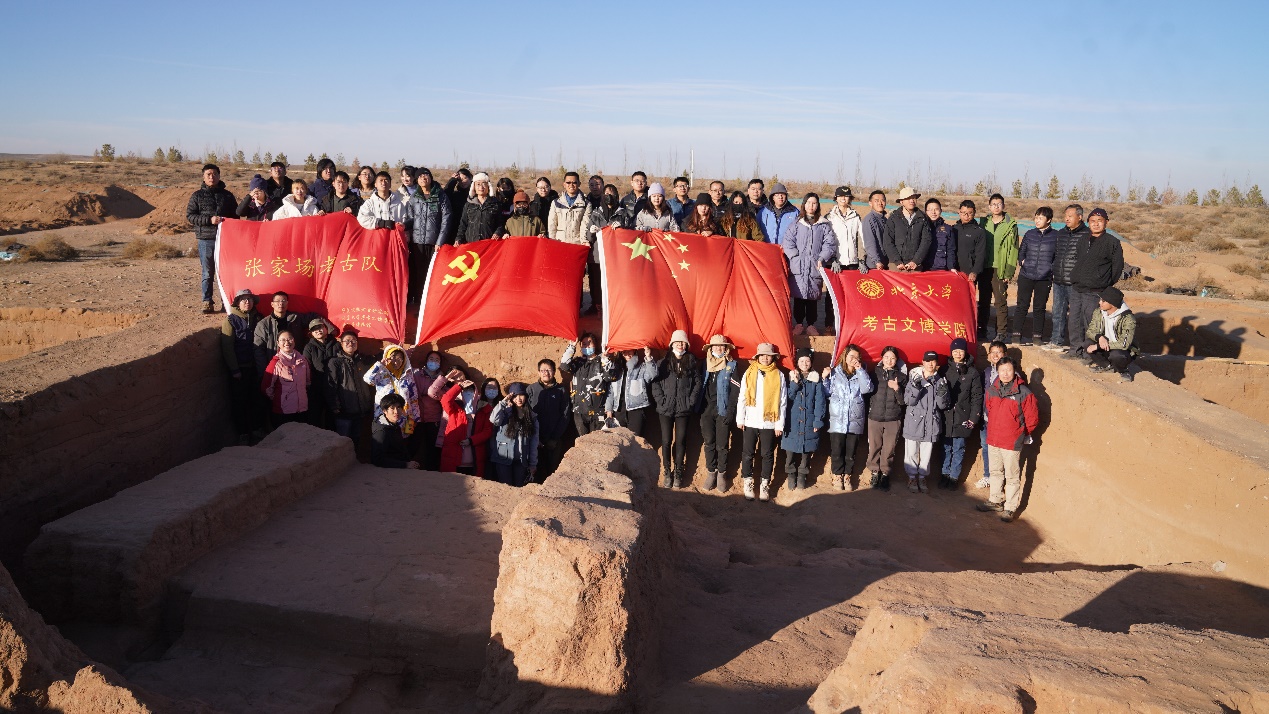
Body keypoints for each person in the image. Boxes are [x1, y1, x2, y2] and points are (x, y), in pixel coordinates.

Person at [976, 356, 1038, 522]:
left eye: (1008, 370)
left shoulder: (1024, 393)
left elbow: (1032, 419)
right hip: (994, 439)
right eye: (1002, 370)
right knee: (995, 472)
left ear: (1014, 371)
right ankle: (995, 500)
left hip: (1011, 442)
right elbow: (989, 410)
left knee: (1012, 476)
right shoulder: (992, 390)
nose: (1005, 373)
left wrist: (1019, 433)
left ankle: (1010, 507)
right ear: (997, 371)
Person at [1064, 207, 1123, 362]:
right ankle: (1074, 350)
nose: (1096, 224)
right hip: (1077, 288)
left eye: (1100, 221)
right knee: (1074, 321)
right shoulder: (1083, 240)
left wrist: (1105, 283)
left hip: (1096, 290)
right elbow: (1079, 259)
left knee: (1091, 322)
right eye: (1092, 221)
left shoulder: (1112, 242)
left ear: (1106, 223)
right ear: (1088, 222)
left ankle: (1088, 354)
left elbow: (1117, 267)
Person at [736, 342, 786, 502]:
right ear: (757, 357)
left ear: (773, 357)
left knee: (767, 454)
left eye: (768, 355)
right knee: (748, 453)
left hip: (769, 422)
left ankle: (765, 484)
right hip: (751, 420)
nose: (765, 358)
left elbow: (782, 402)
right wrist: (740, 418)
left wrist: (779, 424)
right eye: (762, 355)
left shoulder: (779, 375)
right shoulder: (749, 373)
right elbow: (742, 397)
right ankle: (748, 482)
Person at [651, 330, 701, 488]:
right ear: (672, 344)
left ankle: (678, 472)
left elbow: (697, 383)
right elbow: (655, 383)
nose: (680, 344)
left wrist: (690, 401)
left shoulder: (691, 361)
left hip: (683, 409)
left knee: (680, 441)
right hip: (665, 408)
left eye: (683, 342)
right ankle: (667, 472)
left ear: (686, 344)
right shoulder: (663, 362)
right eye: (677, 342)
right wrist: (661, 400)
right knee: (666, 441)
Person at [783, 193, 837, 336]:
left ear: (818, 205)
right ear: (804, 204)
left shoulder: (823, 224)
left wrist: (822, 257)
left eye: (814, 203)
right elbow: (788, 241)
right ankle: (799, 324)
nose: (811, 206)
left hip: (815, 265)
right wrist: (795, 256)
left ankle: (811, 325)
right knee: (799, 297)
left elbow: (830, 244)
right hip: (799, 266)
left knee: (812, 298)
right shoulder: (797, 223)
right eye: (808, 203)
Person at [185, 163, 237, 313]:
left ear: (219, 176)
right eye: (208, 174)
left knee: (225, 272)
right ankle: (207, 302)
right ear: (203, 176)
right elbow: (190, 216)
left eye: (214, 174)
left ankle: (225, 302)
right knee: (207, 272)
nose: (211, 177)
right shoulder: (197, 196)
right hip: (206, 239)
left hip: (225, 240)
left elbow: (235, 216)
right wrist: (209, 220)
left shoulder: (227, 196)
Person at [822, 344, 873, 491]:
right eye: (851, 356)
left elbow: (867, 389)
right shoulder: (835, 373)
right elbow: (826, 392)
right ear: (845, 356)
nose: (854, 359)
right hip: (838, 419)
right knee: (837, 450)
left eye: (857, 357)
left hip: (854, 419)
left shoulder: (861, 373)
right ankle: (837, 476)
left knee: (851, 451)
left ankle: (847, 475)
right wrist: (825, 378)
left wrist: (860, 370)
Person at [902, 350, 950, 494]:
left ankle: (922, 477)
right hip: (914, 422)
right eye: (927, 361)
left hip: (931, 423)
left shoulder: (941, 381)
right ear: (922, 362)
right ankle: (911, 477)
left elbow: (943, 405)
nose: (930, 364)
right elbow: (908, 400)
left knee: (926, 454)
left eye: (933, 361)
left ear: (937, 364)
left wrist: (942, 393)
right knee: (911, 452)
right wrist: (916, 388)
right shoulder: (914, 379)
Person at [404, 168, 452, 309]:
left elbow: (446, 219)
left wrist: (440, 241)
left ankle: (433, 304)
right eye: (420, 176)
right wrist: (403, 226)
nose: (423, 178)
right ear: (416, 180)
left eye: (426, 175)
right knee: (418, 273)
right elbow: (410, 218)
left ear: (430, 178)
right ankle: (419, 303)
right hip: (417, 242)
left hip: (434, 243)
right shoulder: (414, 198)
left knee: (433, 273)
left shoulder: (441, 196)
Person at [1043, 204, 1089, 352]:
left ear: (1080, 217)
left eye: (1070, 216)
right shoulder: (1061, 233)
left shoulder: (1086, 234)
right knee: (1057, 312)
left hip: (1075, 282)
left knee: (1076, 316)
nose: (1066, 218)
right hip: (1059, 280)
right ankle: (1056, 341)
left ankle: (1077, 346)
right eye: (1065, 216)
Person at [698, 334, 740, 493]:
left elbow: (736, 390)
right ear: (710, 348)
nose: (718, 348)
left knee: (722, 444)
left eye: (722, 346)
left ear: (726, 348)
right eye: (715, 346)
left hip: (722, 410)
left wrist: (730, 412)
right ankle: (711, 472)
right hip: (706, 410)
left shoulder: (732, 365)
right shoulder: (704, 364)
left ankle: (721, 474)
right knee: (709, 441)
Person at [221, 289, 264, 444]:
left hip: (256, 367)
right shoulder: (230, 320)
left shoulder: (259, 318)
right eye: (244, 299)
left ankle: (257, 430)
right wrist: (235, 369)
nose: (247, 302)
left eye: (250, 299)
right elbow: (227, 347)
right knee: (240, 402)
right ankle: (243, 434)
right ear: (237, 303)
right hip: (240, 369)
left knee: (257, 400)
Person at [938, 337, 982, 489]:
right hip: (947, 416)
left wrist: (973, 418)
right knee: (946, 447)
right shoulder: (944, 370)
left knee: (958, 448)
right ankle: (944, 474)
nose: (957, 354)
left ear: (965, 352)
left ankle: (953, 477)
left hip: (964, 416)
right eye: (955, 351)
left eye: (960, 351)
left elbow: (977, 397)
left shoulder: (973, 372)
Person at [782, 347, 826, 492]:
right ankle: (791, 474)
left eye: (807, 360)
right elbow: (787, 398)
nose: (805, 363)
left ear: (811, 362)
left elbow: (820, 401)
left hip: (809, 420)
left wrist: (818, 420)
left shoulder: (816, 379)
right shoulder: (790, 376)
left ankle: (802, 474)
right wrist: (794, 383)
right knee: (790, 450)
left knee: (806, 451)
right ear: (797, 362)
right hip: (792, 421)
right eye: (802, 360)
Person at [865, 345, 907, 491]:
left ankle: (885, 474)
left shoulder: (902, 377)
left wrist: (897, 389)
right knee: (874, 447)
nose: (889, 360)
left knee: (889, 449)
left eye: (893, 358)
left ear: (897, 360)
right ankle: (874, 472)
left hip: (893, 419)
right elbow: (866, 393)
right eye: (886, 357)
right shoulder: (873, 373)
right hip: (874, 417)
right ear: (882, 358)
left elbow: (903, 401)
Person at [363, 345, 421, 449]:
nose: (396, 360)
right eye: (393, 357)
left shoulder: (408, 376)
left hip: (404, 418)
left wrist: (415, 418)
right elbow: (367, 379)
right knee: (385, 444)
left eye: (400, 358)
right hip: (385, 417)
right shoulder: (381, 373)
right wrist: (380, 365)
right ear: (387, 357)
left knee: (402, 445)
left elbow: (413, 399)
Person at [561, 334, 619, 436]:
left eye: (589, 343)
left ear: (595, 344)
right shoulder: (578, 362)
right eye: (584, 344)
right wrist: (572, 347)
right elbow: (564, 366)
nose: (587, 346)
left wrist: (605, 360)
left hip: (598, 412)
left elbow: (610, 377)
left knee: (597, 442)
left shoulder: (602, 360)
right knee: (582, 442)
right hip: (579, 411)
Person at [1015, 207, 1058, 345]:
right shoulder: (1029, 234)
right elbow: (1021, 251)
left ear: (1049, 220)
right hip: (1026, 275)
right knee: (1022, 305)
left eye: (1041, 218)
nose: (1037, 220)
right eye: (1036, 217)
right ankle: (1016, 334)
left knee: (1039, 307)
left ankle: (1037, 336)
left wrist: (1050, 268)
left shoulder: (1056, 236)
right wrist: (1022, 261)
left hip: (1044, 277)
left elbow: (1057, 256)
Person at [326, 326, 375, 446]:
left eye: (353, 341)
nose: (350, 343)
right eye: (347, 341)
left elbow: (378, 360)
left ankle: (353, 463)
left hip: (360, 410)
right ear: (341, 344)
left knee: (356, 439)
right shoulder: (335, 362)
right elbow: (330, 385)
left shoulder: (361, 360)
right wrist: (335, 406)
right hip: (343, 411)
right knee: (342, 441)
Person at [980, 194, 1019, 341]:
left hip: (1000, 268)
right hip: (985, 267)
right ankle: (981, 329)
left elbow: (1014, 250)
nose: (996, 206)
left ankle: (1001, 332)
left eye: (999, 204)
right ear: (989, 206)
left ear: (1003, 206)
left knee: (1000, 301)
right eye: (993, 204)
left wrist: (1009, 272)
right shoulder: (983, 222)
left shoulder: (1011, 225)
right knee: (983, 301)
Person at [439, 374, 494, 477]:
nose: (468, 394)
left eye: (471, 391)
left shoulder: (484, 408)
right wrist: (458, 387)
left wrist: (471, 440)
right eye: (465, 391)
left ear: (476, 392)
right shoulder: (455, 408)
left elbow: (487, 431)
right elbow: (445, 399)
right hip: (453, 457)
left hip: (474, 458)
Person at [580, 184, 623, 313]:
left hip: (615, 255)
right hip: (597, 254)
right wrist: (591, 232)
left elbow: (629, 234)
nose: (609, 196)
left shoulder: (622, 213)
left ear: (616, 196)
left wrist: (623, 227)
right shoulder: (596, 213)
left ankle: (612, 308)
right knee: (595, 281)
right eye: (606, 193)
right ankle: (596, 306)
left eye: (612, 193)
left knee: (613, 282)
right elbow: (588, 234)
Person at [527, 358, 571, 480]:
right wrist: (535, 438)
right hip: (535, 440)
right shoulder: (531, 389)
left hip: (554, 440)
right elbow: (527, 414)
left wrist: (554, 438)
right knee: (535, 471)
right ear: (538, 372)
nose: (545, 373)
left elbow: (565, 415)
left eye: (549, 370)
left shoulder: (561, 391)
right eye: (542, 370)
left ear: (554, 372)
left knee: (552, 471)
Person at [489, 382, 539, 486]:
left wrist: (533, 463)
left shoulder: (532, 417)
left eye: (521, 395)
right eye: (515, 396)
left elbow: (534, 442)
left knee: (518, 488)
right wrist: (503, 402)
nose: (519, 399)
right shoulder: (505, 413)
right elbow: (493, 419)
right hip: (503, 459)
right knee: (506, 488)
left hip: (521, 461)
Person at [1084, 286, 1138, 382]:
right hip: (1105, 346)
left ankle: (1123, 370)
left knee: (1116, 355)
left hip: (1121, 350)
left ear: (1112, 304)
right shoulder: (1099, 312)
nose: (1099, 302)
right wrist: (1099, 337)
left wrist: (1098, 346)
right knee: (1087, 343)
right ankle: (1106, 366)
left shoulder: (1128, 319)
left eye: (1103, 301)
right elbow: (1090, 331)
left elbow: (1124, 344)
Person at [954, 200, 991, 334]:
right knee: (954, 301)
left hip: (969, 274)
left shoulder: (979, 232)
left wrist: (975, 271)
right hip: (954, 273)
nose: (966, 216)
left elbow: (981, 254)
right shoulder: (954, 229)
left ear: (974, 213)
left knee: (968, 303)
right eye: (963, 213)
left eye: (969, 213)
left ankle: (969, 328)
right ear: (959, 212)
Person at [974, 340, 1007, 489]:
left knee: (1001, 450)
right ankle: (988, 476)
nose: (995, 355)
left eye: (998, 352)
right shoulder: (987, 372)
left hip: (1001, 421)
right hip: (986, 419)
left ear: (1004, 354)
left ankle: (999, 478)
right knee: (986, 447)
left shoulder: (1011, 373)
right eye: (993, 352)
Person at [605, 346, 657, 438]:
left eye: (630, 351)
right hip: (619, 411)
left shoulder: (641, 367)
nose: (628, 353)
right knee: (619, 442)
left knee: (635, 442)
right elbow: (610, 391)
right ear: (621, 353)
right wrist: (609, 410)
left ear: (634, 351)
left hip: (636, 411)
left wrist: (648, 357)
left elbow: (653, 374)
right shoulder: (616, 369)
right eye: (625, 351)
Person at [261, 331, 310, 426]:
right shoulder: (276, 363)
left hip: (302, 408)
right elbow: (267, 387)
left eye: (289, 339)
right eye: (283, 340)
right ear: (278, 343)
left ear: (294, 341)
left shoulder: (303, 360)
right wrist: (280, 399)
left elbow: (308, 381)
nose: (287, 342)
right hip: (284, 410)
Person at [253, 292, 305, 374]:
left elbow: (314, 318)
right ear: (272, 304)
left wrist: (330, 329)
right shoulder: (263, 324)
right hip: (274, 367)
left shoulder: (296, 318)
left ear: (287, 303)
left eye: (284, 300)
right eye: (277, 301)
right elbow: (259, 350)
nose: (281, 303)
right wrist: (265, 372)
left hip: (295, 365)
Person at [883, 187, 933, 271]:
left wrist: (916, 261)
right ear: (901, 201)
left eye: (914, 198)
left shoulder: (923, 218)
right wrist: (897, 261)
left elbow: (926, 241)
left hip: (915, 266)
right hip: (896, 266)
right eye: (908, 198)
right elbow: (888, 241)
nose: (912, 201)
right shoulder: (893, 219)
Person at [301, 318, 338, 428]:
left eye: (320, 327)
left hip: (334, 388)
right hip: (316, 389)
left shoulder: (336, 345)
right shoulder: (309, 347)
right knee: (314, 418)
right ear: (311, 333)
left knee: (332, 419)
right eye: (314, 329)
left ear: (326, 328)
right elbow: (306, 367)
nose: (318, 330)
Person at [412, 350, 447, 469]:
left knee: (432, 447)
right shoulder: (417, 375)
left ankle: (432, 471)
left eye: (437, 360)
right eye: (431, 359)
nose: (434, 362)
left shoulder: (443, 379)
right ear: (426, 361)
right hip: (417, 417)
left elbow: (443, 396)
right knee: (414, 444)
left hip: (434, 418)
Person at [371, 393, 421, 469]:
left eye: (398, 407)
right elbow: (378, 460)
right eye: (392, 408)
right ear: (384, 410)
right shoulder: (381, 432)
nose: (396, 412)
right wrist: (405, 465)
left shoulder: (393, 424)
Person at [456, 172, 507, 243]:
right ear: (474, 187)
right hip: (471, 245)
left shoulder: (495, 204)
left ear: (488, 186)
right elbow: (463, 225)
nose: (481, 187)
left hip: (489, 245)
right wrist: (458, 239)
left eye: (484, 184)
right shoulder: (469, 204)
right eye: (478, 184)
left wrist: (497, 233)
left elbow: (500, 224)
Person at [547, 172, 590, 247]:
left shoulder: (586, 204)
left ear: (579, 184)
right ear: (564, 184)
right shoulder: (556, 203)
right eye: (568, 182)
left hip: (577, 244)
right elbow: (552, 225)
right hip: (559, 243)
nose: (571, 185)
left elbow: (585, 225)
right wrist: (552, 241)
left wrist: (584, 241)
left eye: (574, 182)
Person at [922, 198, 957, 271]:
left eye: (936, 209)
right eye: (930, 210)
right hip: (924, 269)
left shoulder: (948, 229)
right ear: (925, 212)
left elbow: (951, 250)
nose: (933, 212)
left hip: (941, 269)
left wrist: (951, 267)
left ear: (941, 211)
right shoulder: (920, 228)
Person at [443, 168, 473, 236]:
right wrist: (452, 180)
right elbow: (445, 196)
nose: (463, 181)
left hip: (471, 229)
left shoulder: (476, 195)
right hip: (456, 229)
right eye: (459, 180)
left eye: (465, 178)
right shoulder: (456, 195)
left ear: (470, 178)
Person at [863, 190, 887, 271]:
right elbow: (869, 242)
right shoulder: (869, 219)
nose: (880, 203)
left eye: (882, 200)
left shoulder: (885, 219)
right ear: (870, 203)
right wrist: (877, 261)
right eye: (876, 201)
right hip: (875, 266)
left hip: (885, 263)